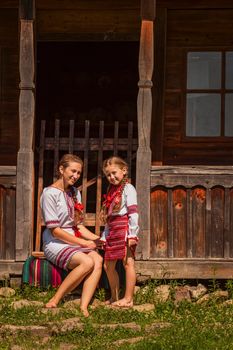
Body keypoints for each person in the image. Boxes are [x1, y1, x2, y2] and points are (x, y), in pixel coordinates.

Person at [40, 153, 103, 317]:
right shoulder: (49, 193)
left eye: (79, 173)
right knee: (87, 261)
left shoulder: (75, 193)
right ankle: (55, 299)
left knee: (98, 258)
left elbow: (79, 226)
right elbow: (55, 230)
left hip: (73, 240)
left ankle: (83, 306)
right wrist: (83, 244)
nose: (75, 176)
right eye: (73, 171)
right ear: (61, 169)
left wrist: (97, 239)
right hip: (55, 242)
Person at [100, 156, 139, 308]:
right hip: (113, 230)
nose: (111, 177)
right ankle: (115, 297)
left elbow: (133, 212)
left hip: (124, 229)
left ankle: (128, 299)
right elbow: (109, 218)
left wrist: (132, 234)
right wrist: (104, 235)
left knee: (128, 263)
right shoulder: (111, 190)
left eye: (114, 173)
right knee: (108, 266)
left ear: (124, 171)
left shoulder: (129, 188)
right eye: (108, 175)